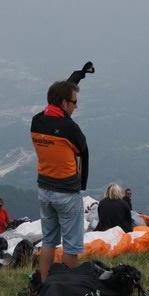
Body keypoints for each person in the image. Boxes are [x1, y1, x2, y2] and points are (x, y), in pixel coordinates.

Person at [30, 61, 94, 283]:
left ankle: (45, 286)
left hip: (44, 189)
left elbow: (55, 104)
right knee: (71, 245)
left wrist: (77, 77)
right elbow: (81, 149)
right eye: (74, 102)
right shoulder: (70, 128)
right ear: (65, 103)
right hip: (66, 192)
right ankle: (64, 289)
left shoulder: (37, 121)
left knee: (48, 241)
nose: (76, 106)